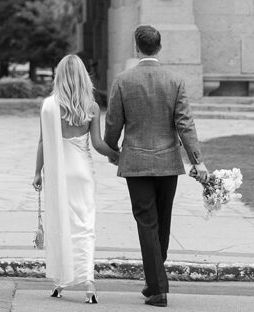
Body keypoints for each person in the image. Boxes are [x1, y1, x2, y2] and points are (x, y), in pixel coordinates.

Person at [104, 25, 209, 308]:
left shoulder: (123, 81)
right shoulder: (175, 80)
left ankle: (158, 288)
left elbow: (113, 122)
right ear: (159, 48)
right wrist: (197, 160)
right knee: (162, 222)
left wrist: (112, 149)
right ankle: (155, 282)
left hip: (136, 162)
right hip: (167, 162)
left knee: (147, 223)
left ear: (136, 48)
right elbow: (184, 123)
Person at [33, 53, 119, 304]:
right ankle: (89, 281)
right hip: (82, 172)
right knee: (85, 226)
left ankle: (61, 281)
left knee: (61, 222)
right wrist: (117, 155)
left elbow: (42, 142)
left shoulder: (49, 105)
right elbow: (98, 144)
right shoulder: (91, 106)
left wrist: (37, 172)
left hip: (59, 172)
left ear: (59, 76)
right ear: (83, 76)